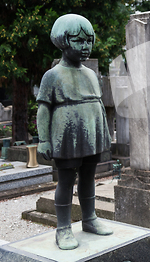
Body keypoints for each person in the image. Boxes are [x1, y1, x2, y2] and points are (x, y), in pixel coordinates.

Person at [37, 14, 112, 250]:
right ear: (63, 41)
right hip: (66, 135)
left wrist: (105, 134)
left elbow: (98, 105)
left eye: (88, 40)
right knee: (66, 180)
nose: (85, 46)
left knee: (89, 177)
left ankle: (89, 219)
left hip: (91, 133)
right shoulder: (53, 75)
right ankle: (63, 228)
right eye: (79, 41)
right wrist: (44, 140)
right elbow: (43, 110)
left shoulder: (90, 74)